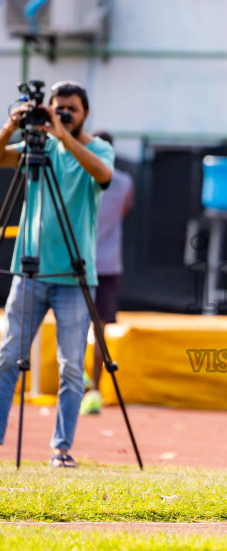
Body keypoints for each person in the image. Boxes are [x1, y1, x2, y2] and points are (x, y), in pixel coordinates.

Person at [0, 81, 113, 466]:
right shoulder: (37, 146)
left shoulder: (97, 147)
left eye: (71, 110)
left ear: (84, 114)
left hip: (73, 276)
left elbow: (102, 175)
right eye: (57, 108)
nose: (63, 114)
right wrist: (9, 129)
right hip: (28, 271)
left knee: (70, 367)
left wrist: (63, 136)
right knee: (7, 357)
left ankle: (61, 449)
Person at [80, 131, 134, 415]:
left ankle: (83, 385)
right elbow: (124, 209)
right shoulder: (124, 182)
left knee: (76, 327)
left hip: (80, 264)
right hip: (107, 264)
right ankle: (93, 391)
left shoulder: (79, 178)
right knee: (98, 332)